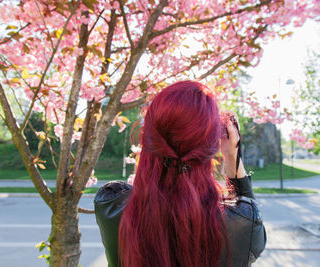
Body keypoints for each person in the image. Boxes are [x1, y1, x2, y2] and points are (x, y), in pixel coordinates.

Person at [94, 81, 266, 267]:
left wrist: (153, 157)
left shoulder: (111, 206)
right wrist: (233, 157)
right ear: (211, 146)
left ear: (149, 140)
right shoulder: (241, 224)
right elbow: (248, 213)